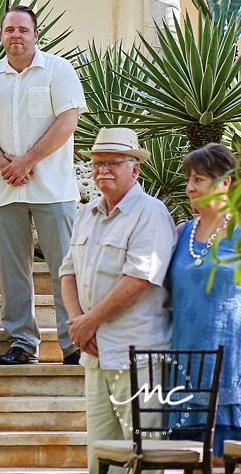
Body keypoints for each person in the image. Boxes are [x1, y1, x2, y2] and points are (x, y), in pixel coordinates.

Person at [0, 5, 86, 365]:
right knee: (12, 271)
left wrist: (27, 161)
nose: (15, 35)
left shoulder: (58, 71)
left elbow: (68, 121)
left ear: (36, 34)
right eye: (9, 30)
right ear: (1, 36)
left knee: (65, 269)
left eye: (22, 29)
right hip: (6, 190)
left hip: (53, 190)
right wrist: (6, 165)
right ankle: (21, 342)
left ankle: (74, 344)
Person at [58, 127, 177, 474]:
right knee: (101, 457)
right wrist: (79, 323)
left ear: (134, 169)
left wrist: (88, 322)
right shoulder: (88, 213)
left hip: (139, 355)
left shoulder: (150, 213)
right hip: (95, 354)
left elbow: (138, 280)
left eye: (113, 163)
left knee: (147, 454)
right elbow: (68, 273)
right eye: (97, 163)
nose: (102, 170)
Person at [169, 142, 241, 459]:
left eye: (198, 179)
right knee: (186, 458)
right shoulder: (182, 231)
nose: (190, 188)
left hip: (232, 366)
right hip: (186, 365)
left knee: (229, 460)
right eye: (188, 180)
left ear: (224, 182)